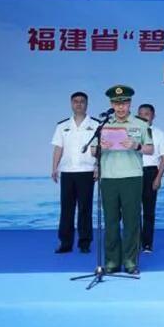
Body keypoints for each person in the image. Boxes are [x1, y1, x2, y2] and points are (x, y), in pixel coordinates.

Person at [92, 85, 153, 275]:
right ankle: (111, 261)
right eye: (116, 103)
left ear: (130, 104)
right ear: (111, 104)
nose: (120, 107)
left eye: (124, 103)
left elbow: (150, 149)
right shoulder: (103, 125)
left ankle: (130, 261)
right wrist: (101, 147)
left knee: (131, 221)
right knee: (110, 221)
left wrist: (136, 145)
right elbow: (92, 150)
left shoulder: (140, 124)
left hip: (132, 177)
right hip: (109, 178)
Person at [51, 91, 99, 254]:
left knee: (85, 208)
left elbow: (100, 149)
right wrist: (54, 168)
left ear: (87, 104)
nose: (79, 104)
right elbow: (58, 148)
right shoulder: (62, 126)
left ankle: (84, 242)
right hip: (67, 171)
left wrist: (98, 167)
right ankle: (65, 243)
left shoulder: (96, 125)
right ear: (71, 104)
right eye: (75, 101)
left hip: (86, 171)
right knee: (66, 209)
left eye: (82, 101)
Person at [136, 104, 164, 253]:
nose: (143, 116)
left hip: (150, 173)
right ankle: (135, 242)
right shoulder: (132, 132)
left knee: (149, 210)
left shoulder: (159, 134)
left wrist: (158, 178)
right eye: (140, 114)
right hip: (133, 173)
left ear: (153, 116)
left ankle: (147, 244)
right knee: (133, 211)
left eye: (147, 114)